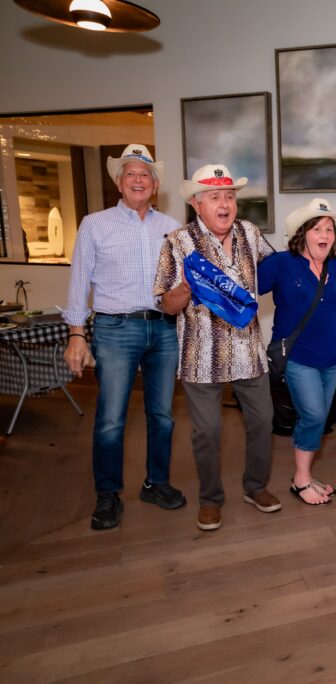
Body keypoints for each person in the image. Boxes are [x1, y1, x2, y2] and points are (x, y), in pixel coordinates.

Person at [64, 144, 184, 530]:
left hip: (164, 329)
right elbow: (79, 281)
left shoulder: (171, 226)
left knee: (162, 416)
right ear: (118, 181)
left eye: (145, 174)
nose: (138, 179)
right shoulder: (94, 224)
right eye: (130, 173)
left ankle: (156, 483)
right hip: (115, 329)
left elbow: (183, 284)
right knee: (111, 420)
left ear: (155, 184)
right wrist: (77, 334)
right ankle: (108, 494)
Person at [154, 164, 279, 531]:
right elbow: (165, 304)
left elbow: (273, 272)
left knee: (263, 421)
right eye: (214, 197)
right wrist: (190, 286)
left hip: (249, 351)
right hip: (200, 355)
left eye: (229, 196)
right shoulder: (177, 242)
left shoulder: (251, 234)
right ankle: (210, 500)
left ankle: (255, 487)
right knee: (206, 431)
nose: (224, 204)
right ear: (196, 203)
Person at [258, 198, 336, 505]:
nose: (324, 234)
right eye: (316, 228)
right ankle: (300, 481)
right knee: (312, 415)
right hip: (297, 357)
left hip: (331, 360)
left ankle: (307, 475)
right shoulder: (282, 263)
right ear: (302, 234)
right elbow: (245, 287)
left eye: (329, 228)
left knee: (319, 419)